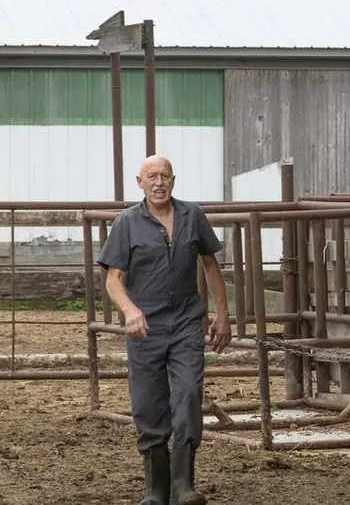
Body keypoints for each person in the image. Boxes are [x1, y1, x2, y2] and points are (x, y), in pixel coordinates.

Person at [98, 155, 232, 505]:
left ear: (174, 180)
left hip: (186, 321)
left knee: (188, 394)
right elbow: (113, 279)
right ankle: (156, 489)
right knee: (148, 403)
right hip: (145, 326)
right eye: (152, 177)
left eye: (165, 176)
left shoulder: (192, 215)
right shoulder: (127, 222)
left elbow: (210, 264)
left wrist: (223, 313)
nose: (159, 183)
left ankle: (183, 485)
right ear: (139, 182)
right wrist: (130, 310)